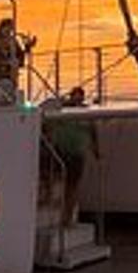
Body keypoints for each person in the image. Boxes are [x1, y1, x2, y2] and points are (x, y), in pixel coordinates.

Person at [47, 88, 94, 228]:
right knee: (58, 182)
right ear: (72, 96)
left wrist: (96, 150)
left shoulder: (86, 113)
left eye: (81, 97)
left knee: (72, 188)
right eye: (76, 96)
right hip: (62, 152)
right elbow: (52, 125)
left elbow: (93, 130)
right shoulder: (62, 110)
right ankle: (57, 212)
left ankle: (67, 217)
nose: (78, 99)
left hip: (77, 154)